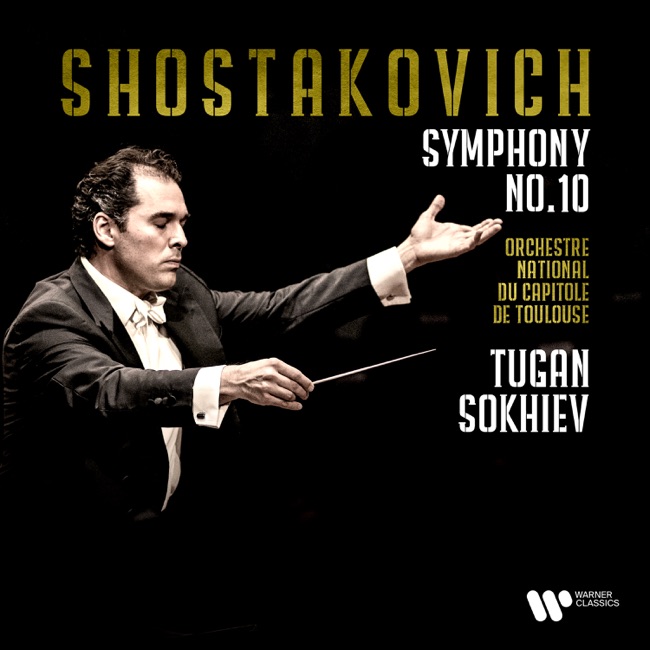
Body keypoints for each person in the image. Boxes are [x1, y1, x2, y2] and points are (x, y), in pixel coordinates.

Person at [1, 145, 502, 640]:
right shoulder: (51, 315)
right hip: (60, 572)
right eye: (161, 222)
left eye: (182, 222)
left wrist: (407, 257)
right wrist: (227, 381)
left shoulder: (182, 291)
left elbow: (279, 310)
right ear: (106, 229)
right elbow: (112, 390)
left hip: (155, 557)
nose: (180, 238)